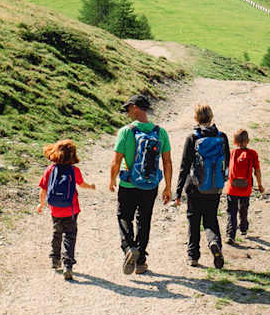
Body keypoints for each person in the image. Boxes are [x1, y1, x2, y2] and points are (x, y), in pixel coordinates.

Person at [109, 94, 173, 274]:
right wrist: (167, 186)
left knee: (124, 216)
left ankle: (129, 248)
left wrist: (112, 179)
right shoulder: (161, 132)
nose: (128, 113)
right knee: (144, 220)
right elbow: (167, 162)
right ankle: (141, 262)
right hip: (150, 185)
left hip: (129, 184)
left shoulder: (125, 131)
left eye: (129, 109)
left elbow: (116, 160)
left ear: (136, 108)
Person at [174, 103, 229, 268]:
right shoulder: (222, 137)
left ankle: (193, 256)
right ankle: (214, 243)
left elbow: (184, 166)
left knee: (193, 219)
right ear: (211, 116)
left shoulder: (193, 138)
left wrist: (178, 193)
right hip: (215, 186)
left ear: (196, 118)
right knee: (211, 218)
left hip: (195, 187)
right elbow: (227, 161)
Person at [38, 139, 95, 281]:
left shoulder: (50, 169)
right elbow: (81, 184)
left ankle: (54, 259)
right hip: (71, 209)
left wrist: (41, 204)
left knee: (56, 232)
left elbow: (43, 189)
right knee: (69, 235)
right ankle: (68, 265)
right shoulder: (74, 170)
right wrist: (91, 186)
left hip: (55, 209)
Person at [223, 128, 263, 244]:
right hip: (246, 189)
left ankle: (230, 235)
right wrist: (260, 185)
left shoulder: (232, 153)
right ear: (248, 141)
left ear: (234, 142)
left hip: (232, 189)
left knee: (231, 212)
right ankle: (244, 228)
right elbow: (257, 171)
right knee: (244, 209)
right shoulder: (252, 154)